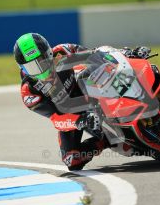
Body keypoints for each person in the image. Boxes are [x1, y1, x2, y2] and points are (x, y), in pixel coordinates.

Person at [13, 33, 151, 170]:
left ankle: (138, 93)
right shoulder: (29, 92)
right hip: (71, 115)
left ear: (49, 53)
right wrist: (81, 120)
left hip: (87, 90)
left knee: (99, 66)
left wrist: (127, 53)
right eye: (32, 67)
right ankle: (105, 141)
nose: (41, 71)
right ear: (22, 68)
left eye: (42, 61)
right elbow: (56, 119)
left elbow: (96, 53)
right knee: (71, 160)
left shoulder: (63, 51)